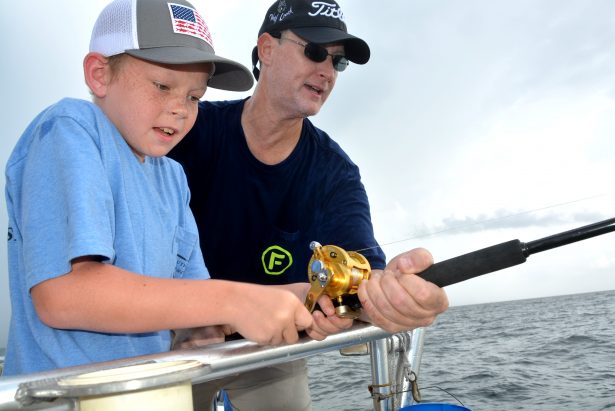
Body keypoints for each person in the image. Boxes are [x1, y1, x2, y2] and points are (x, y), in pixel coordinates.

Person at [3, 0, 316, 376]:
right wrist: (235, 300)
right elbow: (63, 296)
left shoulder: (172, 178)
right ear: (99, 74)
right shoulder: (70, 128)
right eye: (162, 86)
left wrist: (299, 300)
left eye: (194, 97)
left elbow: (195, 309)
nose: (180, 109)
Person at [168, 0, 450, 409]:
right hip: (171, 338)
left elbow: (363, 273)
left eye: (338, 62)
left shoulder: (335, 173)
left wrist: (398, 297)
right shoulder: (186, 133)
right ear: (266, 49)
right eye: (315, 51)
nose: (327, 71)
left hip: (270, 347)